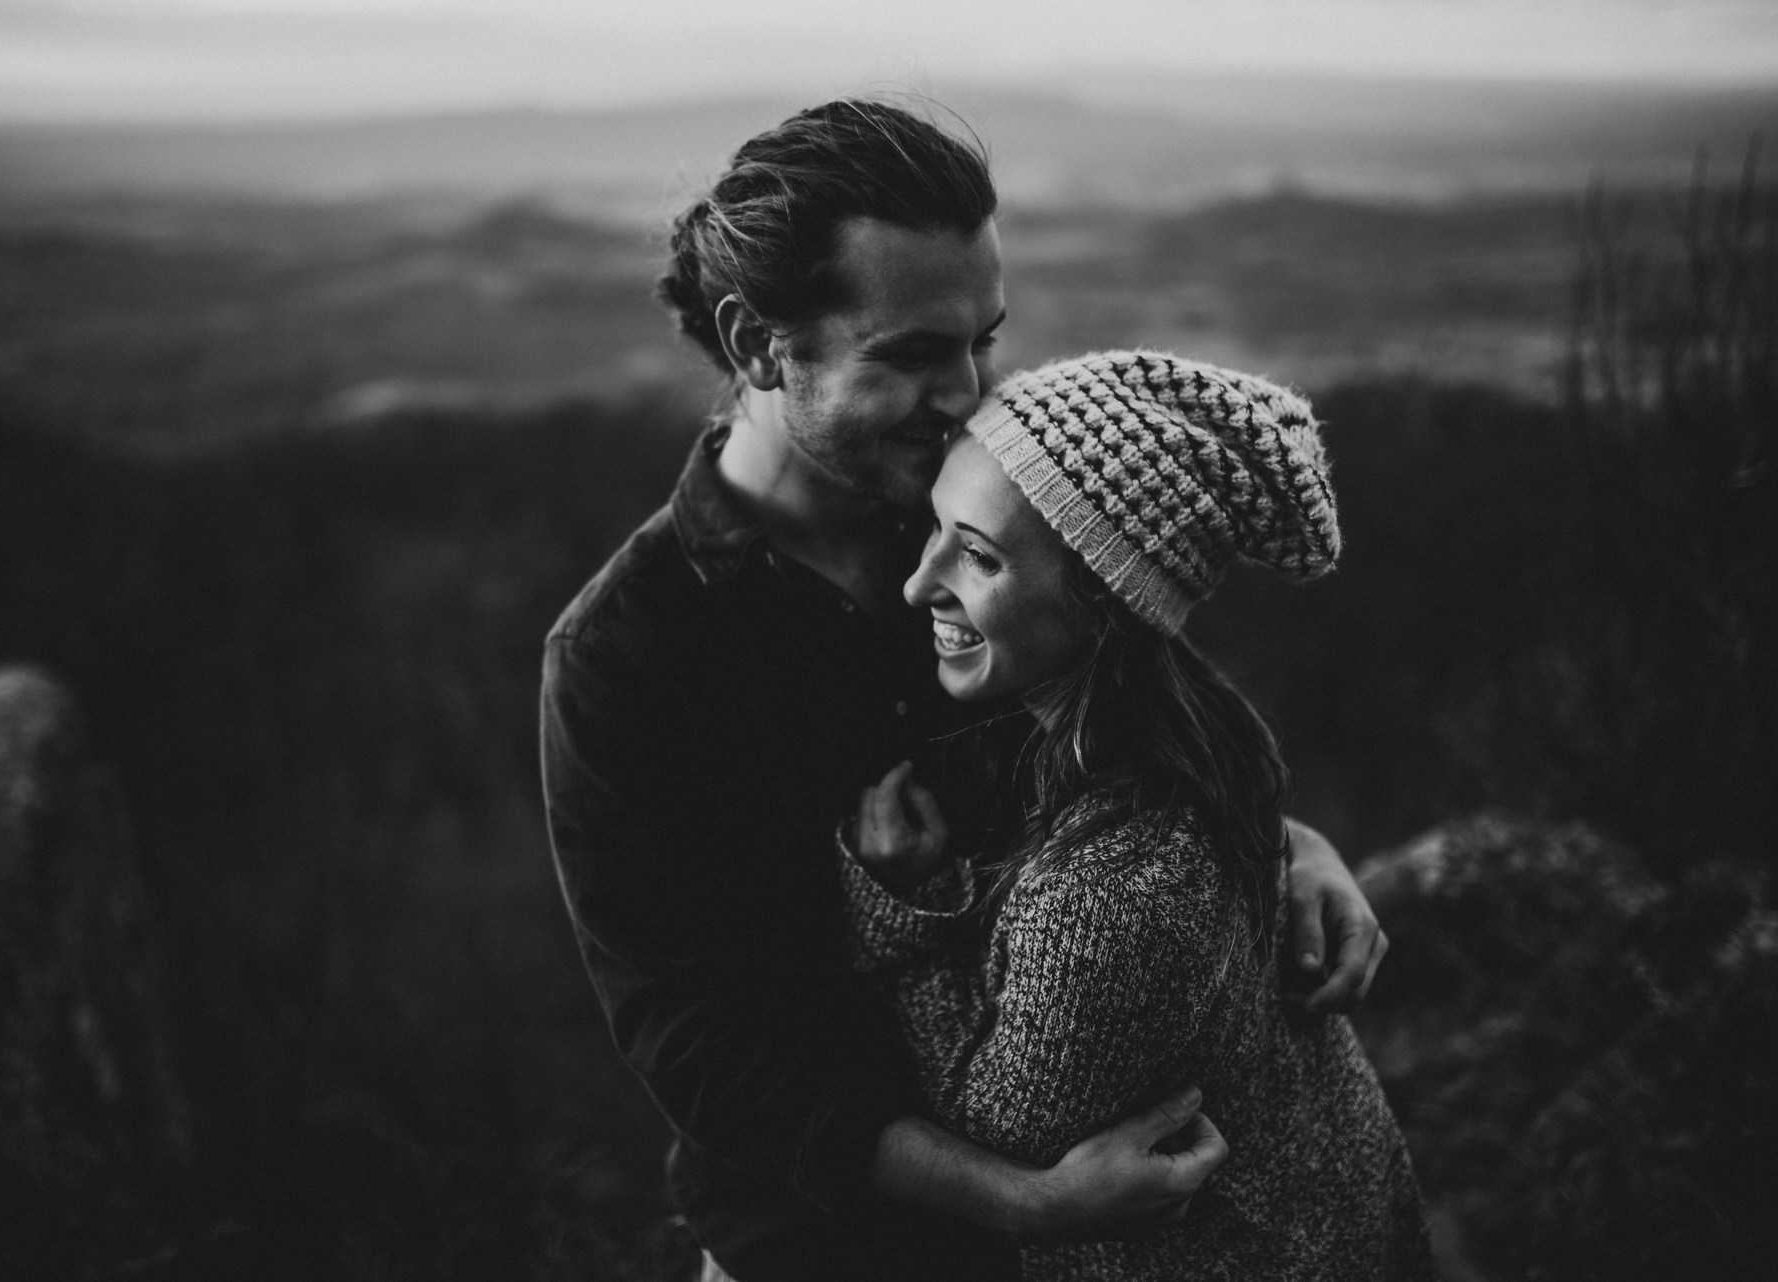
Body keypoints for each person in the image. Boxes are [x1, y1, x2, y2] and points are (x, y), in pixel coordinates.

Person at [539, 100, 1389, 1280]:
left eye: (981, 339)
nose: (969, 389)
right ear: (756, 344)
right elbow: (701, 1050)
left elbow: (1139, 729)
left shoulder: (1002, 512)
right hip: (822, 1250)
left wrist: (1276, 841)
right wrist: (1017, 1200)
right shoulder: (626, 657)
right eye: (911, 355)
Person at [841, 348, 1435, 1279]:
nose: (921, 584)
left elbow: (992, 1134)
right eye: (937, 530)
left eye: (982, 556)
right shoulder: (1197, 747)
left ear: (1104, 607)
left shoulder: (1110, 888)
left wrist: (910, 906)